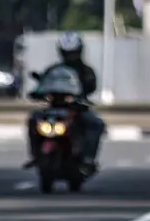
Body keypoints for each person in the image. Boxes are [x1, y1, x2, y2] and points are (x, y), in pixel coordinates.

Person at [23, 32, 107, 171]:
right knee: (34, 119)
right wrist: (39, 93)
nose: (70, 56)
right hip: (54, 107)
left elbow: (91, 85)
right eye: (67, 53)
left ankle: (88, 158)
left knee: (96, 123)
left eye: (73, 53)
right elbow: (44, 83)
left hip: (77, 108)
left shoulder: (86, 71)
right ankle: (35, 155)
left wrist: (79, 96)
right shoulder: (54, 70)